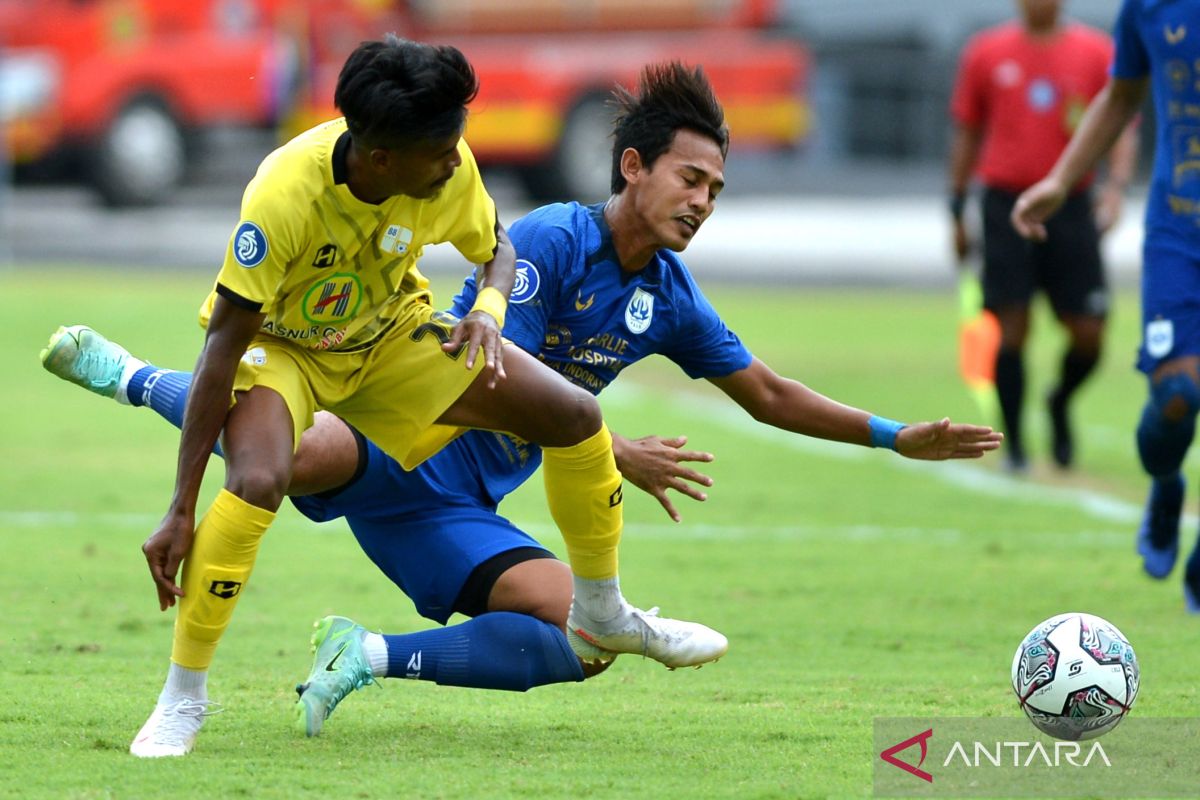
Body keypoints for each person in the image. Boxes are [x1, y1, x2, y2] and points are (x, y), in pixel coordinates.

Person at [43, 61, 1004, 745]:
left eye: (716, 186)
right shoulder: (549, 237)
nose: (704, 201)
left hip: (453, 490)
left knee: (584, 646)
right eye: (690, 178)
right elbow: (501, 378)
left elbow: (765, 392)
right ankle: (131, 383)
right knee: (292, 457)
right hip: (403, 432)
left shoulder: (665, 293)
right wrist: (616, 450)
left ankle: (375, 652)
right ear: (632, 167)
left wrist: (890, 436)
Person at [45, 37, 726, 758]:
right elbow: (222, 348)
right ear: (380, 160)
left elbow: (495, 247)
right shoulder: (283, 196)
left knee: (574, 414)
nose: (454, 164)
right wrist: (180, 506)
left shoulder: (443, 160)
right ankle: (183, 698)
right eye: (438, 158)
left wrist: (488, 312)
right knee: (261, 477)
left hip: (391, 340)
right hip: (289, 350)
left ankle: (604, 607)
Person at [1012, 0, 1200, 609]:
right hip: (1181, 230)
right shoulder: (1147, 7)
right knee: (1178, 396)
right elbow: (1121, 96)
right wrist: (1062, 180)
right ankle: (1166, 484)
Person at [948, 0, 1138, 472]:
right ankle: (1013, 446)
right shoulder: (986, 52)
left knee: (1089, 332)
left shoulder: (1096, 52)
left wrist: (1114, 189)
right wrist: (956, 208)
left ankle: (1059, 401)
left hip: (1072, 206)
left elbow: (1122, 121)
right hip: (1005, 203)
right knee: (1012, 327)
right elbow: (968, 132)